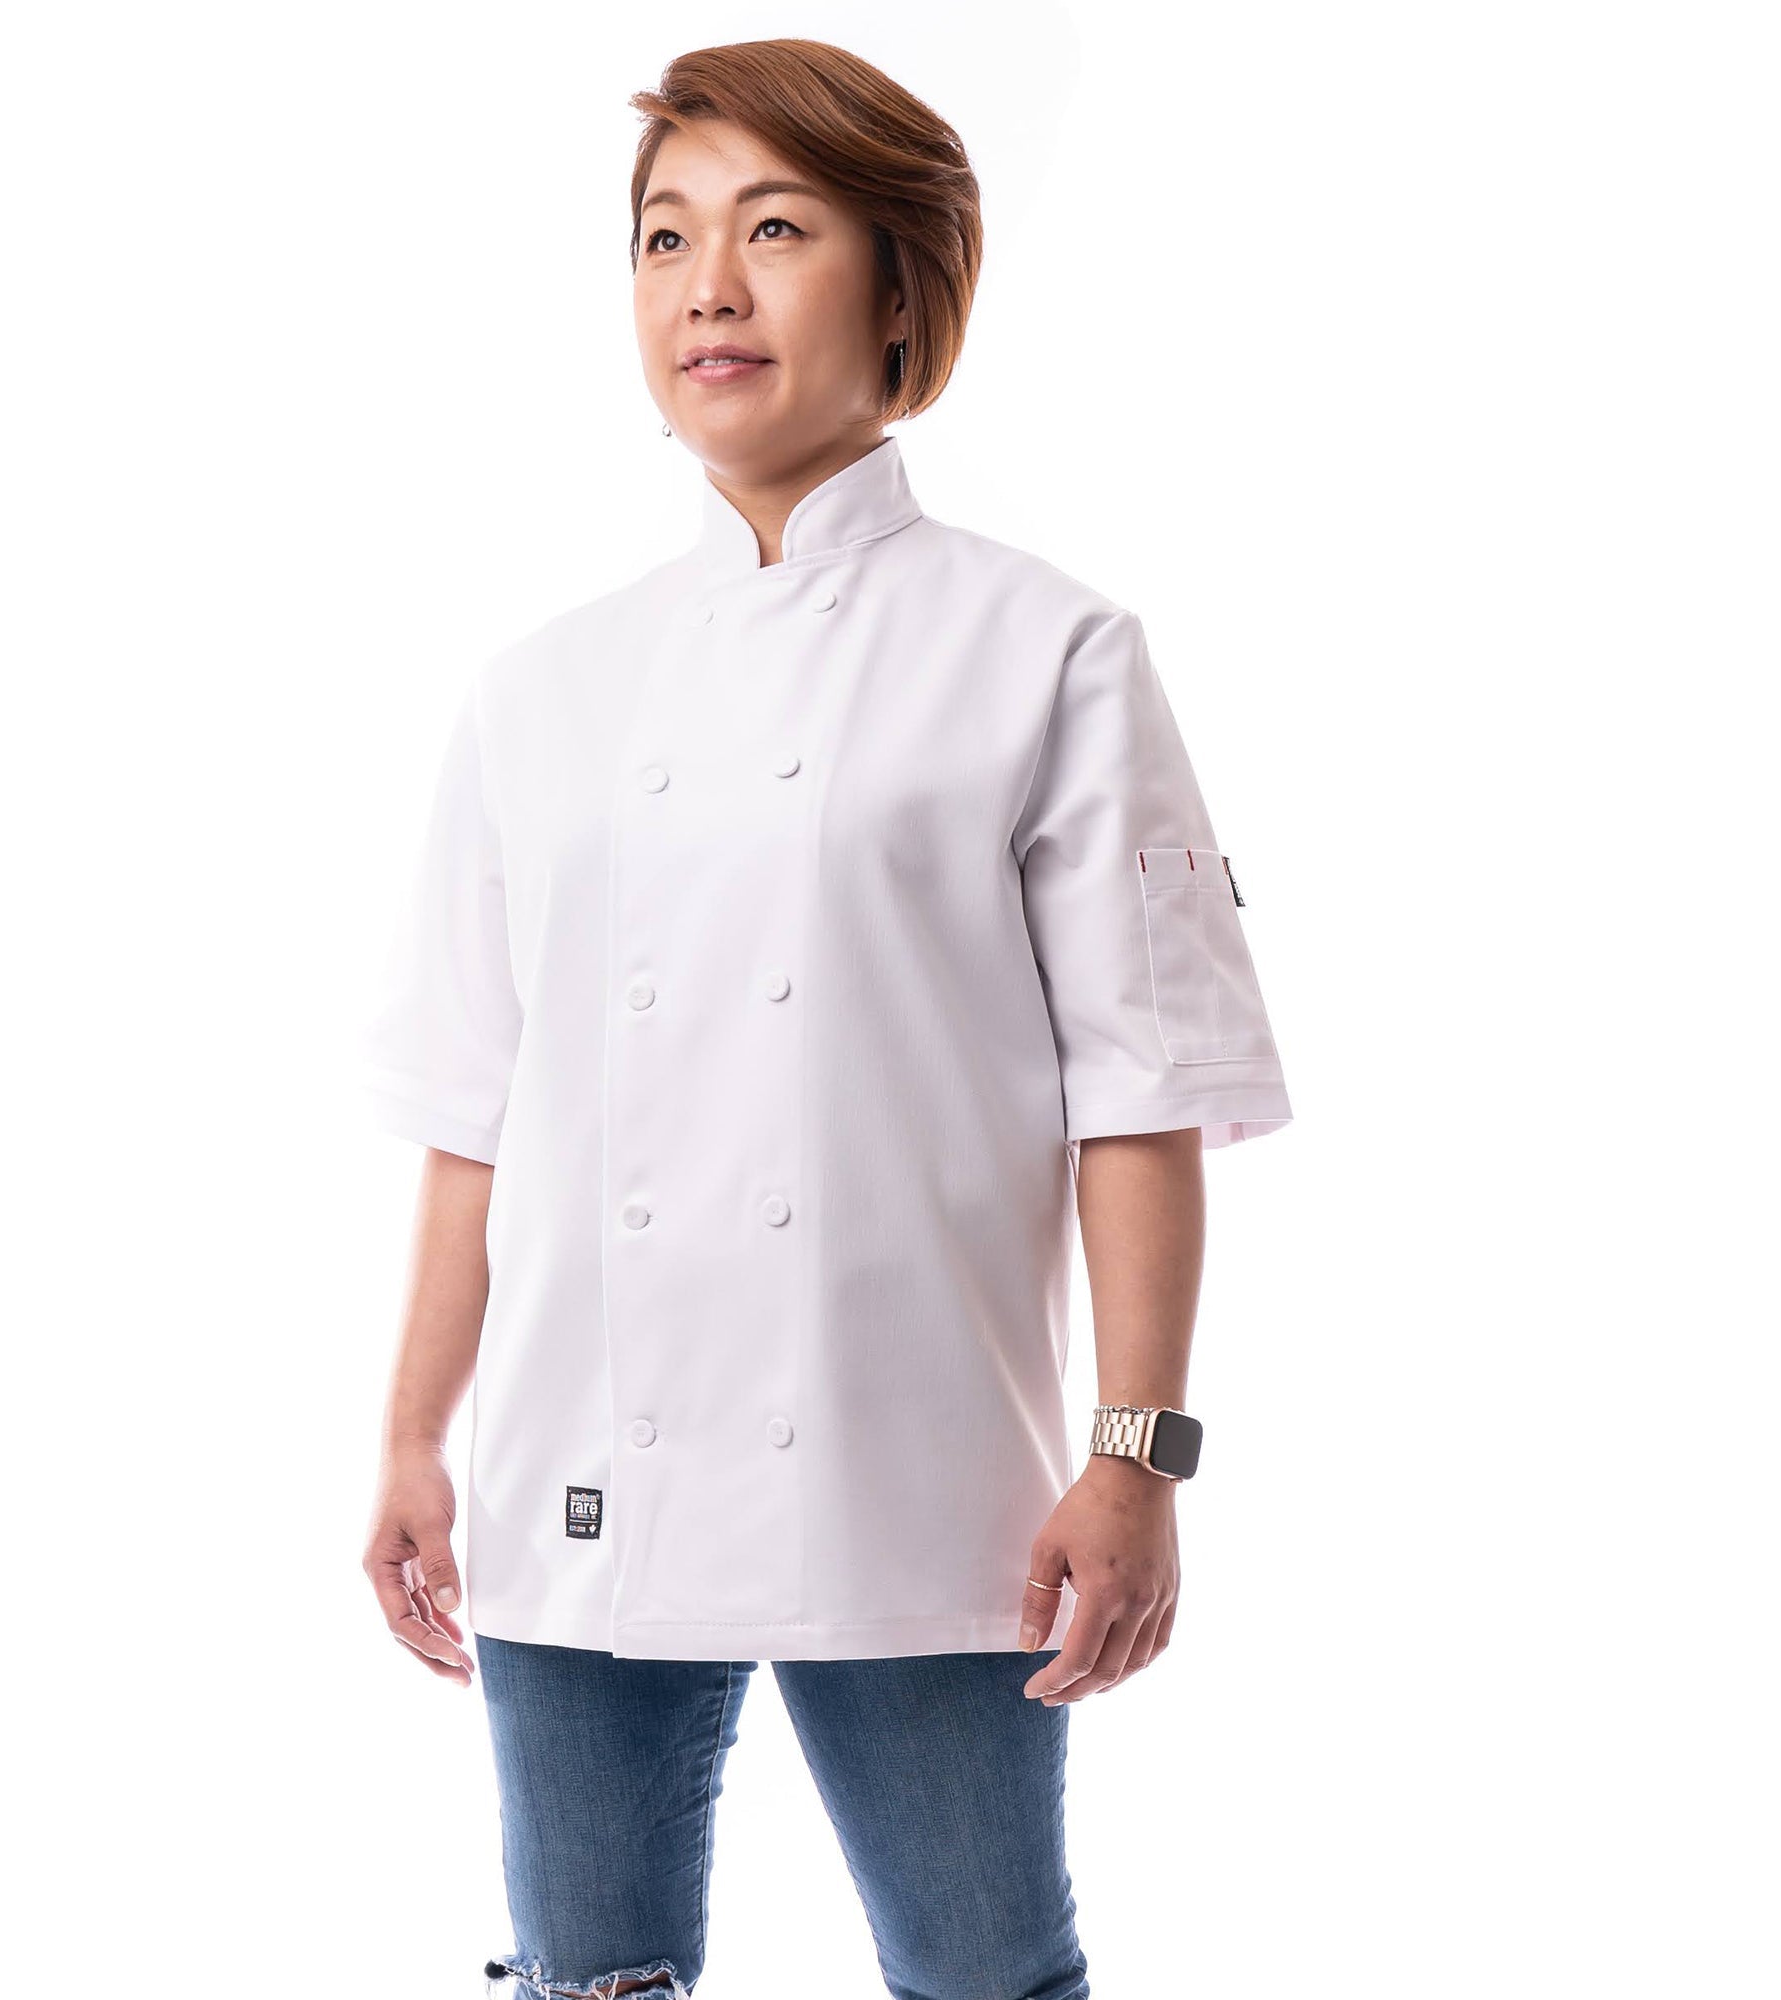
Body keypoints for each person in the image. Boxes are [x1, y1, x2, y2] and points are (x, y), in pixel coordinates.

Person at [359, 38, 1293, 2000]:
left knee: (987, 1975)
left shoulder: (1048, 650)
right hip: (575, 1465)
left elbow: (1137, 1101)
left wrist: (1136, 1457)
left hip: (927, 1470)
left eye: (775, 230)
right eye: (664, 237)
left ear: (899, 290)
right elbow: (473, 1119)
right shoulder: (539, 693)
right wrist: (413, 1440)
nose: (707, 286)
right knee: (587, 1978)